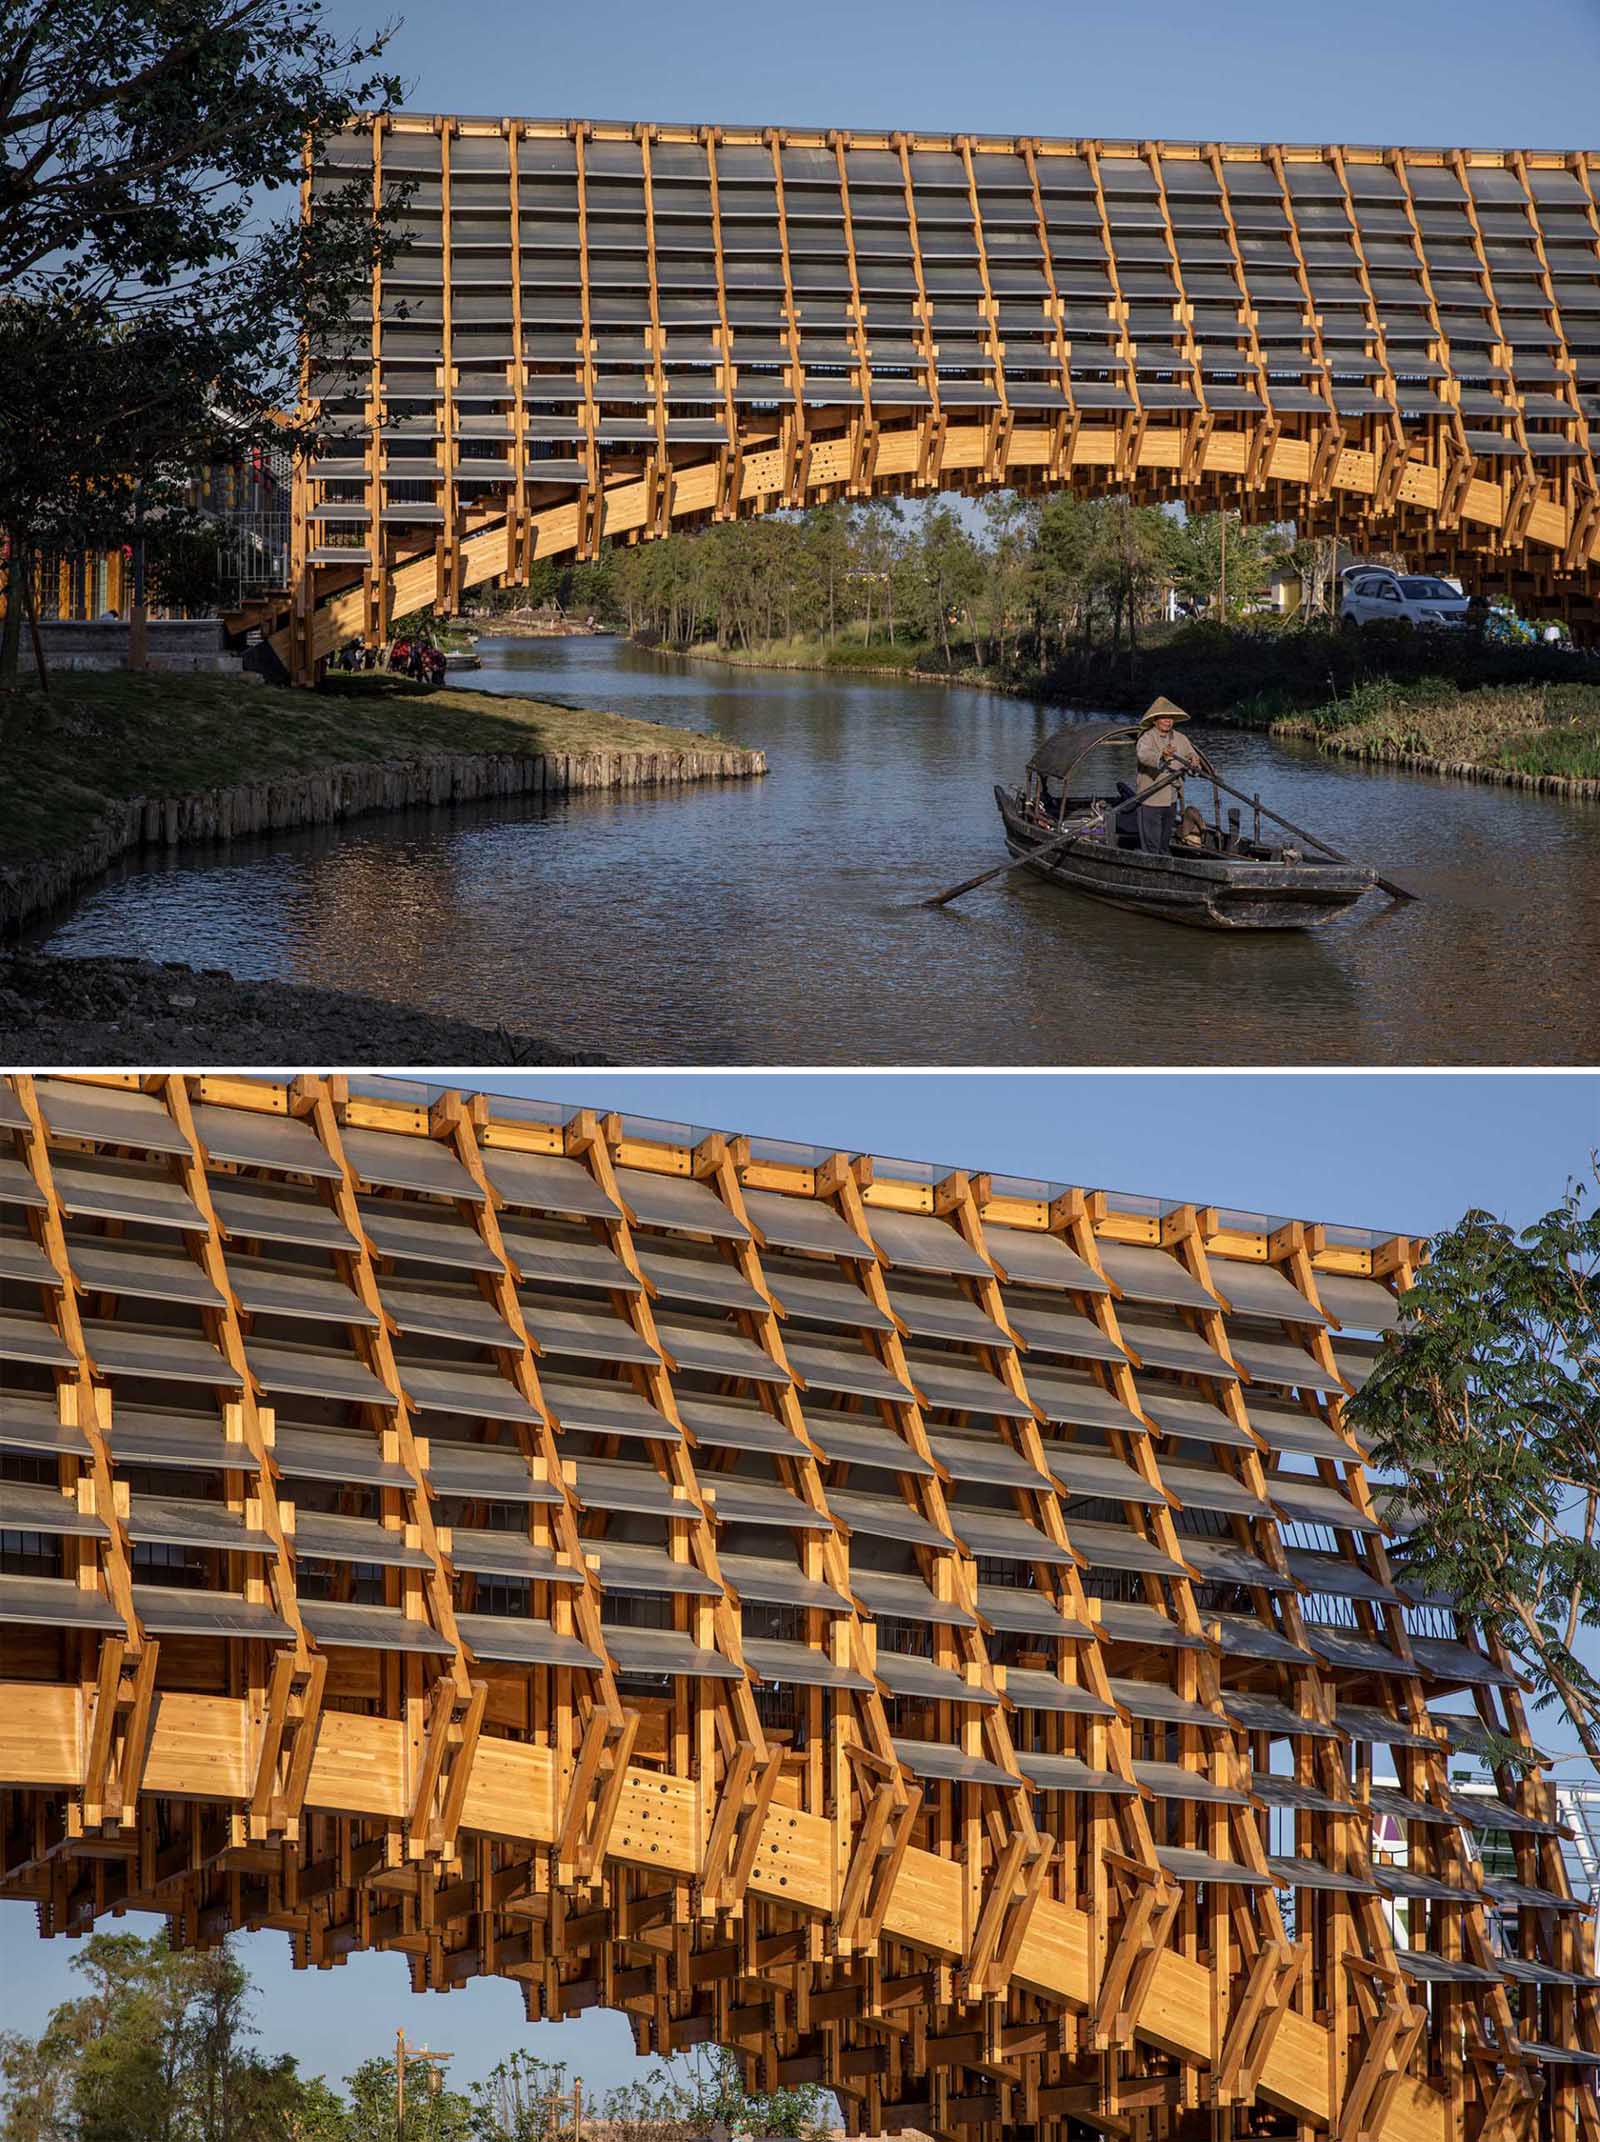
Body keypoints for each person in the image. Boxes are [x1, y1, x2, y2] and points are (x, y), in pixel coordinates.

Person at [1134, 697, 1204, 855]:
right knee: (1151, 845)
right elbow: (1144, 756)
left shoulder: (1181, 738)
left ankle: (1165, 862)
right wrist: (1162, 755)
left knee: (1164, 842)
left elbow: (1192, 759)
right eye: (1164, 717)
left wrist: (1194, 762)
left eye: (1170, 717)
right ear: (1155, 720)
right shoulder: (1147, 738)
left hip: (1171, 798)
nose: (1168, 721)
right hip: (1151, 798)